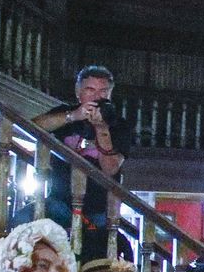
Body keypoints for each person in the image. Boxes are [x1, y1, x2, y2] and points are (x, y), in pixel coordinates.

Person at [30, 65, 134, 261]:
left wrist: (101, 128)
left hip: (98, 209)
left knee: (89, 258)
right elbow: (31, 126)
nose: (96, 97)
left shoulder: (119, 125)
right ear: (78, 93)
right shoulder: (64, 114)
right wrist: (73, 116)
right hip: (59, 202)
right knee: (23, 224)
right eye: (90, 90)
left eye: (103, 91)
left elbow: (111, 168)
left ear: (110, 95)